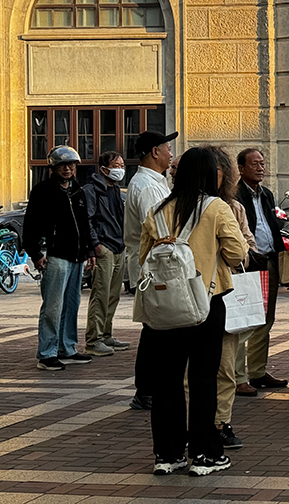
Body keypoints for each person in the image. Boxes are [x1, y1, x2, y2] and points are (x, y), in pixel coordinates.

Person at [139, 147, 248, 477]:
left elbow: (143, 257)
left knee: (167, 381)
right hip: (205, 303)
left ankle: (167, 454)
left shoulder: (158, 211)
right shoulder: (216, 208)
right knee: (203, 380)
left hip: (162, 307)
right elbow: (236, 252)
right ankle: (204, 454)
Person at [24, 146, 97, 371]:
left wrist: (89, 251)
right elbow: (31, 224)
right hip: (55, 255)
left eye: (72, 164)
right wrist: (35, 253)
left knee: (72, 304)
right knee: (53, 306)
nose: (68, 168)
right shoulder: (42, 191)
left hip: (76, 255)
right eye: (63, 165)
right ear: (53, 167)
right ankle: (46, 353)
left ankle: (67, 347)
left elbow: (84, 223)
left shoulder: (78, 190)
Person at [207, 146, 256, 450]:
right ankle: (197, 423)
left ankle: (220, 421)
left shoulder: (233, 208)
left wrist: (237, 256)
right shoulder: (175, 206)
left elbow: (244, 248)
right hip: (194, 297)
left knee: (226, 366)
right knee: (195, 370)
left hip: (226, 292)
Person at [124, 131, 176, 408]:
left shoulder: (155, 182)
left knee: (157, 330)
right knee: (155, 330)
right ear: (154, 152)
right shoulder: (146, 186)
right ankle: (145, 391)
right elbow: (156, 231)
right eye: (167, 148)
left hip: (156, 266)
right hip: (153, 267)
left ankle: (149, 388)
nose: (170, 153)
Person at [236, 148, 288, 394]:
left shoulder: (266, 194)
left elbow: (270, 226)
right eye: (254, 164)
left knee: (266, 319)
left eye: (262, 163)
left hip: (269, 260)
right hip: (248, 263)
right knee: (244, 319)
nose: (260, 168)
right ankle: (238, 376)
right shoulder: (234, 195)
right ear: (241, 168)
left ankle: (257, 371)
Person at [82, 151, 128, 357]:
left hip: (118, 245)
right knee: (100, 294)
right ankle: (94, 339)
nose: (120, 169)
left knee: (113, 294)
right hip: (104, 246)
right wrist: (95, 245)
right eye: (115, 165)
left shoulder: (116, 190)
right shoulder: (91, 190)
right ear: (103, 169)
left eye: (122, 165)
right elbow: (88, 219)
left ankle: (106, 333)